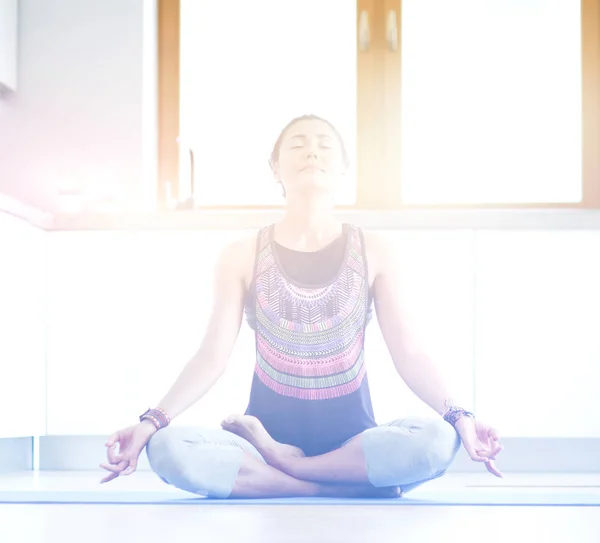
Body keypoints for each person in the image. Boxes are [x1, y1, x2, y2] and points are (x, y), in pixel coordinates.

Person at [100, 114, 504, 499]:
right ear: (275, 168)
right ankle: (326, 484)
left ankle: (289, 471)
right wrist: (151, 422)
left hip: (352, 444)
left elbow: (411, 353)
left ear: (343, 168)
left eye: (325, 144)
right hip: (260, 442)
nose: (312, 152)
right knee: (168, 449)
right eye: (298, 144)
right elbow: (211, 356)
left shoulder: (375, 251)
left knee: (436, 442)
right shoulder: (241, 255)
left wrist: (460, 417)